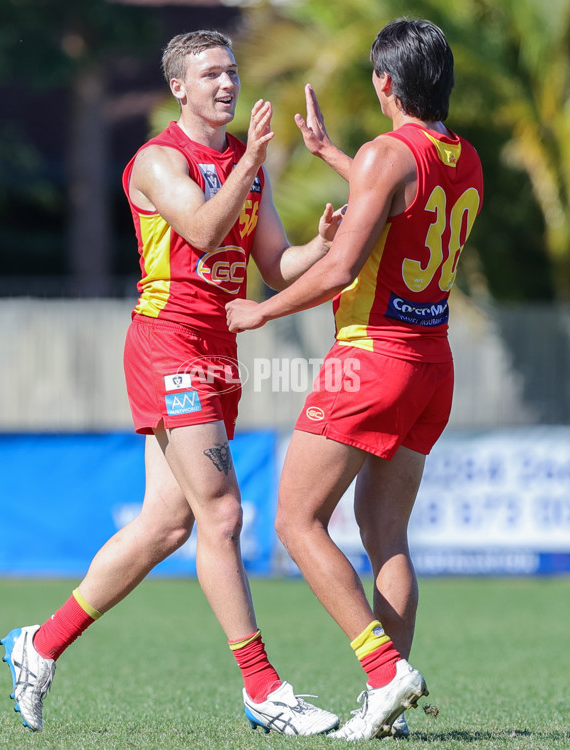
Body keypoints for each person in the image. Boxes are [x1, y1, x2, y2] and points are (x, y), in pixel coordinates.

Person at [0, 29, 344, 737]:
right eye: (210, 74)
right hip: (168, 343)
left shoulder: (245, 167)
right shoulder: (159, 160)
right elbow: (205, 230)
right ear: (178, 89)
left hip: (219, 346)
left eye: (231, 70)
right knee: (220, 515)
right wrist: (251, 159)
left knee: (165, 524)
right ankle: (262, 687)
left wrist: (327, 242)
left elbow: (275, 265)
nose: (226, 83)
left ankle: (40, 643)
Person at [226, 18, 484, 741]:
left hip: (371, 358)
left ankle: (382, 672)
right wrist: (332, 154)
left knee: (294, 521)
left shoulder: (384, 154)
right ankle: (388, 708)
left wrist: (258, 313)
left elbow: (339, 267)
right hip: (433, 364)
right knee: (386, 535)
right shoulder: (464, 158)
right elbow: (406, 195)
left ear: (384, 83)